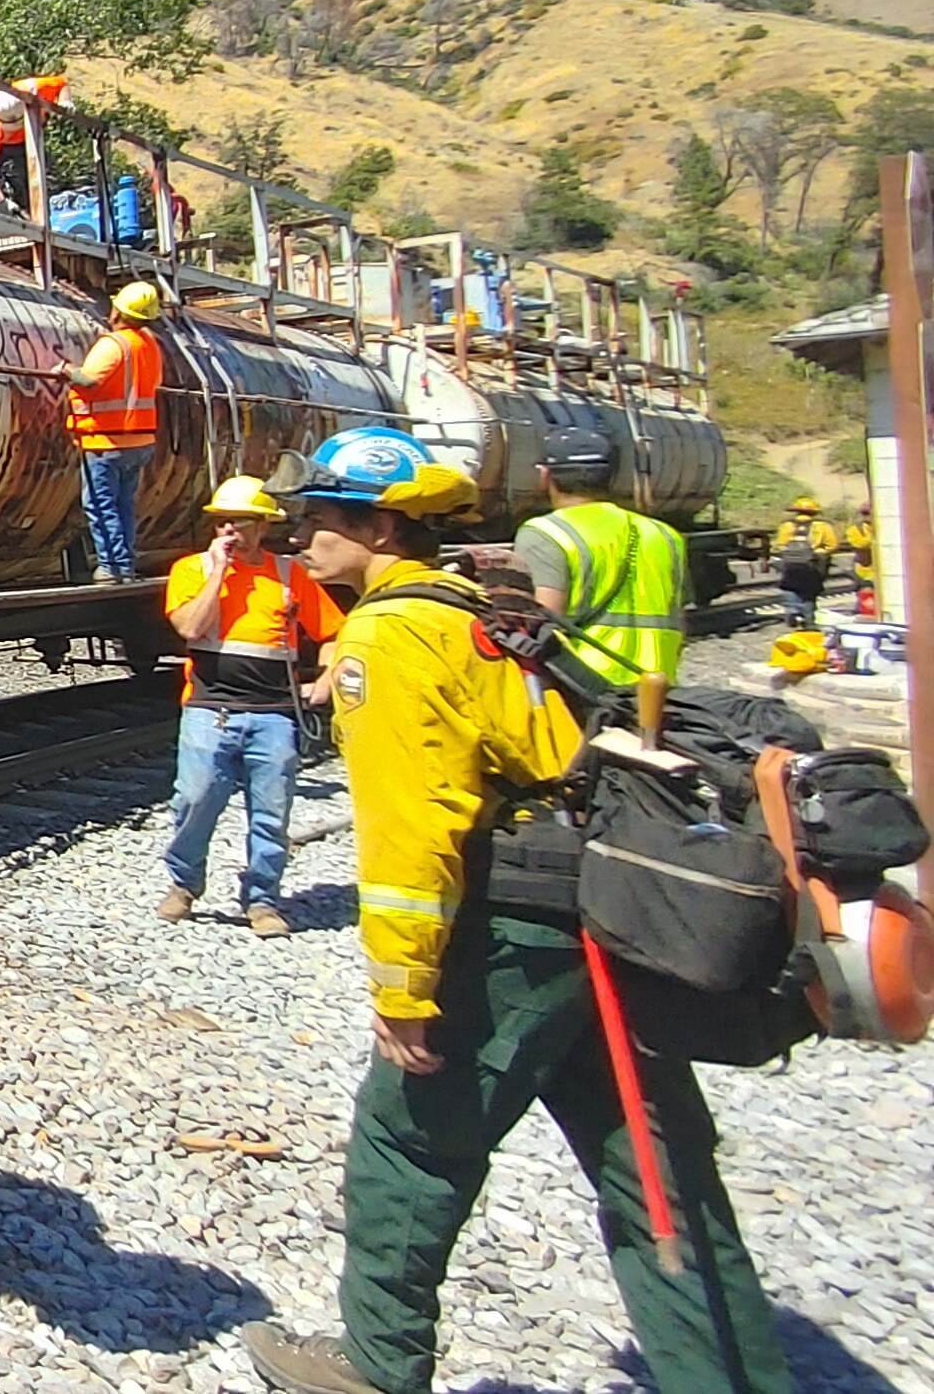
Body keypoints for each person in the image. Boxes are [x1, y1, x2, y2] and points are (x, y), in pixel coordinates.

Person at [241, 427, 793, 1394]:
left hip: (513, 926)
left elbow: (415, 825)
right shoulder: (478, 608)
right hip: (611, 907)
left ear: (378, 525)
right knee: (660, 1179)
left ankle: (376, 1368)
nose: (302, 538)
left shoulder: (388, 632)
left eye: (319, 519)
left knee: (410, 1145)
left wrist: (404, 985)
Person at [158, 475, 342, 938]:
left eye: (238, 523)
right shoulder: (193, 571)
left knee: (271, 810)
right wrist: (219, 573)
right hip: (209, 707)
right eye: (221, 523)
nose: (228, 532)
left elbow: (334, 633)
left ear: (263, 527)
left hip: (273, 712)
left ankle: (262, 900)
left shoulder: (289, 574)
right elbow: (191, 628)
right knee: (195, 799)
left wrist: (325, 679)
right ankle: (184, 883)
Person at [512, 427, 687, 690]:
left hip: (586, 689)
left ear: (546, 475)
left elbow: (542, 625)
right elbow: (681, 617)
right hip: (657, 687)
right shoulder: (666, 534)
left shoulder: (544, 533)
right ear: (611, 476)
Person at [58, 281, 166, 583]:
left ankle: (112, 567)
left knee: (101, 504)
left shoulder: (113, 344)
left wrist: (68, 370)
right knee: (124, 505)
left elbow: (89, 381)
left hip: (107, 440)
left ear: (119, 312)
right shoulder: (151, 346)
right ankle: (125, 564)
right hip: (141, 439)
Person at [0, 72, 67, 214]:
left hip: (28, 140)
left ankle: (37, 216)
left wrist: (65, 101)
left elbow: (61, 83)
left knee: (32, 180)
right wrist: (1, 201)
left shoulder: (33, 88)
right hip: (0, 147)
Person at [771, 497, 840, 625]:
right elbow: (832, 545)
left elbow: (778, 545)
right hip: (812, 565)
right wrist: (819, 552)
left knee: (790, 587)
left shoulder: (787, 525)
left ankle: (792, 611)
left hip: (790, 564)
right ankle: (808, 616)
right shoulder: (823, 526)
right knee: (809, 591)